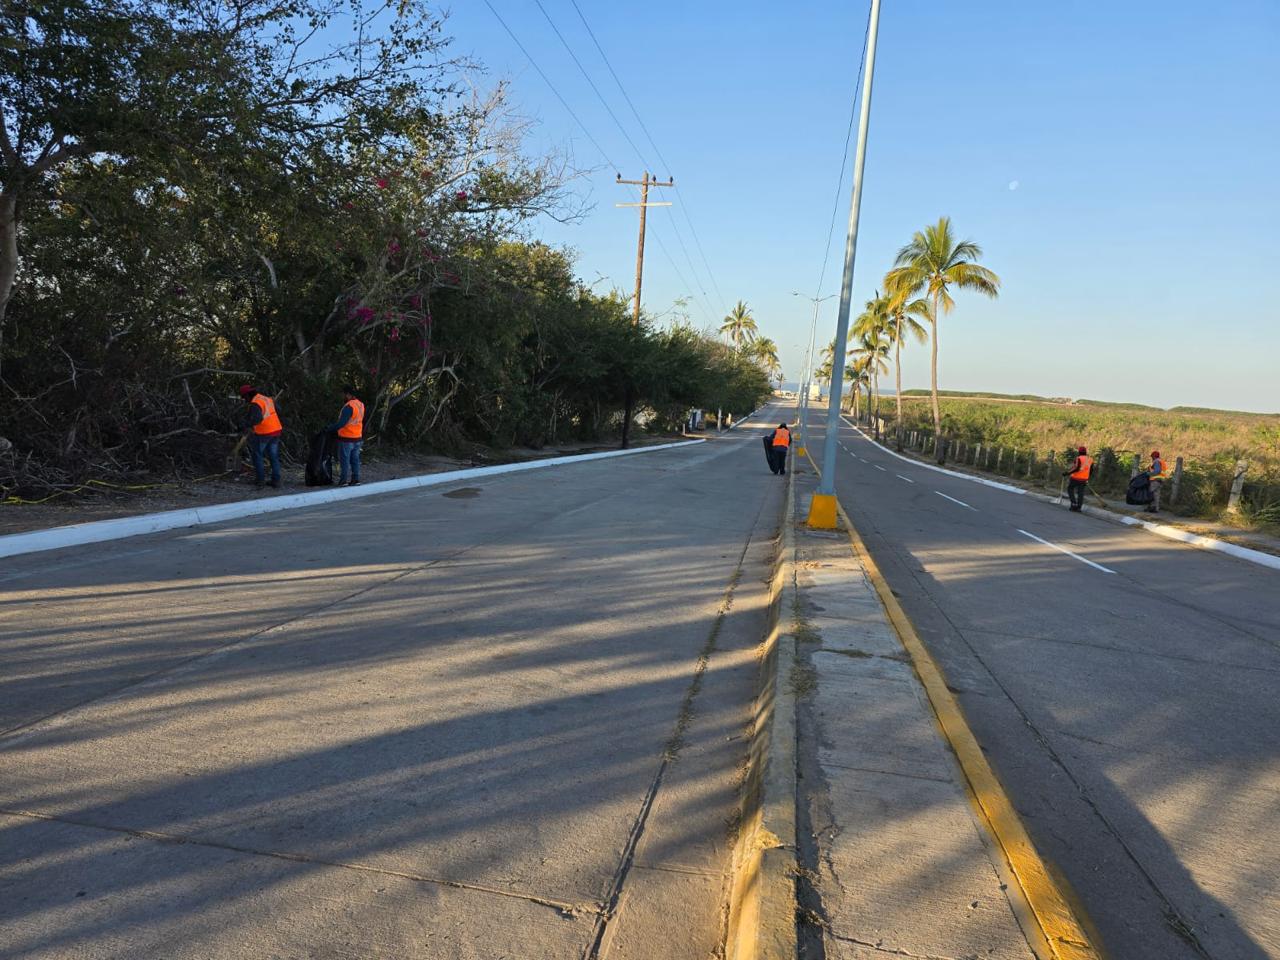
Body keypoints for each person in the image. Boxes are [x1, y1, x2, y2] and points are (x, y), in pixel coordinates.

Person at [240, 384, 282, 488]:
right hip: (276, 430)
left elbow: (257, 419)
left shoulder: (255, 403)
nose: (245, 400)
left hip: (264, 433)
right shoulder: (266, 398)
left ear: (247, 395)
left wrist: (245, 424)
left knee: (257, 456)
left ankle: (260, 481)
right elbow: (278, 410)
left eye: (244, 398)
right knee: (273, 456)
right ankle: (276, 481)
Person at [327, 384, 365, 486]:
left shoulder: (349, 406)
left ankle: (343, 481)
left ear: (348, 394)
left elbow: (341, 424)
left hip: (347, 438)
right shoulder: (360, 404)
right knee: (355, 460)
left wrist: (329, 428)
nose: (342, 396)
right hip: (357, 438)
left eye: (343, 394)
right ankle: (355, 479)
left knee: (345, 461)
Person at [1062, 446, 1093, 512]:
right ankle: (1079, 507)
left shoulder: (1078, 458)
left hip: (1076, 478)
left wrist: (1067, 473)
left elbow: (1076, 468)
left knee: (1070, 488)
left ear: (1079, 452)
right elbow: (1091, 470)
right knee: (1080, 492)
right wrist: (1087, 478)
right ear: (1085, 452)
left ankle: (1073, 503)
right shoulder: (1090, 459)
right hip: (1084, 479)